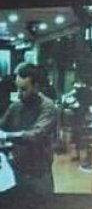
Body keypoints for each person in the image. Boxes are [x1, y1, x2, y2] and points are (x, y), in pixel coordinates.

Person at [0, 62, 57, 194]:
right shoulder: (16, 106)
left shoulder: (48, 108)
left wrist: (6, 136)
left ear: (36, 87)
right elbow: (2, 125)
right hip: (18, 169)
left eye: (24, 89)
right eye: (18, 88)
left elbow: (35, 135)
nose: (19, 94)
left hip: (39, 174)